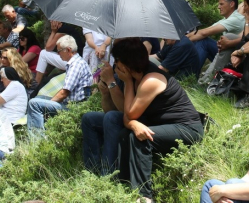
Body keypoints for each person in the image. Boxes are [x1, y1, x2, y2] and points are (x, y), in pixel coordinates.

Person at [81, 38, 203, 203]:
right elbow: (114, 112)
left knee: (138, 137)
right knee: (90, 119)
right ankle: (94, 172)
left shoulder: (151, 80)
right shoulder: (130, 76)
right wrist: (106, 93)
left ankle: (143, 196)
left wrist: (117, 83)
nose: (115, 65)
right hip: (155, 122)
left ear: (126, 63)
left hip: (185, 128)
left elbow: (129, 115)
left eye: (117, 61)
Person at [27, 35, 92, 132]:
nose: (58, 54)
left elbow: (64, 92)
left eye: (59, 51)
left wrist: (48, 105)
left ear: (68, 50)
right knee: (38, 99)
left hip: (74, 107)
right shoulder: (75, 62)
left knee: (34, 103)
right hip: (69, 103)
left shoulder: (76, 65)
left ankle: (36, 139)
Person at [187, 0, 245, 73]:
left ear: (231, 4)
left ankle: (191, 74)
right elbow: (203, 31)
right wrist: (183, 39)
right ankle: (188, 72)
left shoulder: (236, 19)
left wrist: (182, 42)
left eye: (221, 4)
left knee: (204, 42)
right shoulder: (227, 19)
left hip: (235, 55)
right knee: (199, 39)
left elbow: (205, 33)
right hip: (226, 51)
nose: (218, 7)